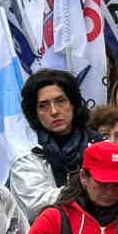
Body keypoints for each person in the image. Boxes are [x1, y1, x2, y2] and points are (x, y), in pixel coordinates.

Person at [11, 69, 98, 221]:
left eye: (60, 101)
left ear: (72, 103)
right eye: (43, 105)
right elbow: (34, 206)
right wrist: (88, 189)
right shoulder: (26, 154)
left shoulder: (99, 144)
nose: (54, 111)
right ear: (35, 113)